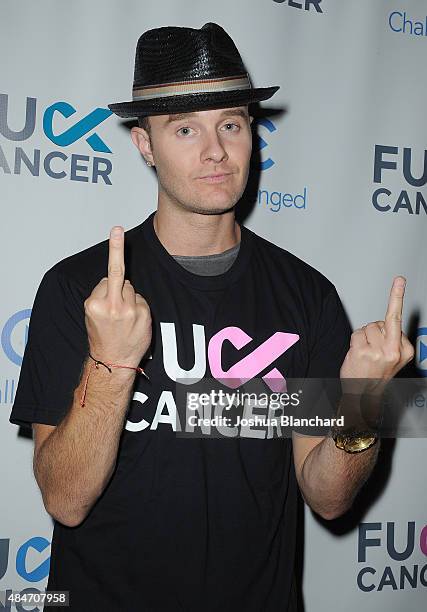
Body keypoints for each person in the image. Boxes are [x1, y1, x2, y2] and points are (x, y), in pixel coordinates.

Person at [9, 22, 414, 612]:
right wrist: (112, 363)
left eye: (231, 123)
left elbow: (328, 498)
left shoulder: (308, 296)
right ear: (144, 145)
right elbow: (66, 500)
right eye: (183, 129)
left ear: (252, 131)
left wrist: (366, 406)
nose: (215, 151)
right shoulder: (80, 288)